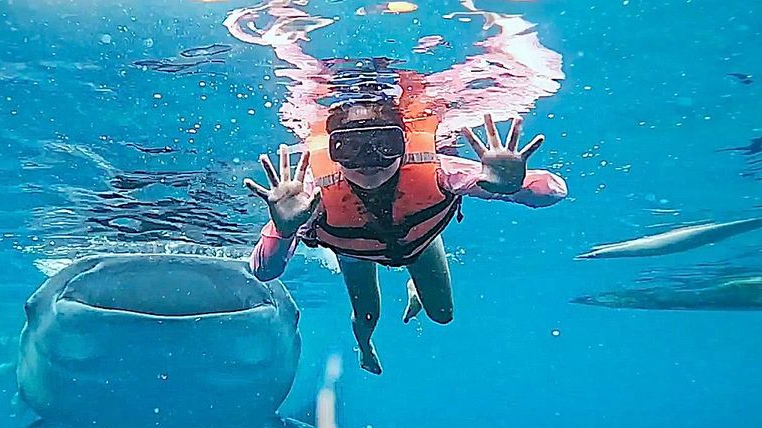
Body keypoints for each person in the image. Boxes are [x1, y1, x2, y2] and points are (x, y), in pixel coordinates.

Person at [243, 90, 567, 375]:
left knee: (442, 314)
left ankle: (416, 288)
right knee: (367, 316)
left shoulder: (439, 170)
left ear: (404, 143)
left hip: (421, 243)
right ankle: (365, 347)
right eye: (350, 148)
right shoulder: (308, 199)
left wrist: (514, 186)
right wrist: (284, 230)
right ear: (332, 153)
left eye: (384, 144)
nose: (368, 161)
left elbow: (555, 191)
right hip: (355, 252)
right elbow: (262, 271)